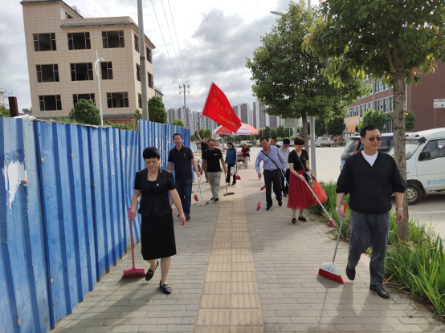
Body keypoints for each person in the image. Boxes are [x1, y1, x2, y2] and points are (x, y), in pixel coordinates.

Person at [336, 125, 406, 299]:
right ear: (362, 140)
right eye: (372, 138)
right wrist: (338, 205)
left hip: (381, 213)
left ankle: (376, 283)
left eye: (378, 138)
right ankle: (351, 264)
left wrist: (399, 208)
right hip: (359, 212)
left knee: (380, 249)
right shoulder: (353, 162)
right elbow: (342, 185)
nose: (376, 141)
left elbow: (399, 186)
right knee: (359, 244)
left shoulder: (387, 161)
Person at [130, 147, 186, 295]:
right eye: (148, 162)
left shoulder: (166, 175)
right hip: (147, 216)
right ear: (144, 161)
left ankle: (164, 281)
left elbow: (174, 194)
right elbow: (137, 193)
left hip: (164, 215)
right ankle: (153, 264)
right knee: (147, 252)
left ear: (159, 160)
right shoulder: (140, 175)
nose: (151, 165)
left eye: (154, 161)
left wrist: (181, 212)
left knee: (166, 250)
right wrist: (134, 208)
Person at [168, 133, 200, 221]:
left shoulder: (187, 150)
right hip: (178, 178)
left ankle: (187, 213)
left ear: (182, 140)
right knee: (180, 196)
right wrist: (169, 175)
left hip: (188, 177)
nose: (177, 140)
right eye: (175, 139)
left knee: (187, 195)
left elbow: (193, 161)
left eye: (178, 138)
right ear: (173, 141)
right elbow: (170, 164)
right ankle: (181, 211)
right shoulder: (172, 152)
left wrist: (196, 171)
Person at [288, 137, 315, 224]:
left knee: (303, 195)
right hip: (295, 177)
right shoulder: (291, 154)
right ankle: (293, 216)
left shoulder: (305, 152)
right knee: (295, 195)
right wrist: (299, 176)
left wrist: (311, 174)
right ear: (294, 144)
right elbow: (291, 169)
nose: (300, 148)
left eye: (302, 146)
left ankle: (300, 215)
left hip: (304, 176)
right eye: (299, 146)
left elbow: (307, 165)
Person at [255, 137, 287, 211]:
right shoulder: (261, 153)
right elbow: (256, 164)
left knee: (277, 188)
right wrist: (258, 172)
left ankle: (279, 198)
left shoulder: (275, 149)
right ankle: (269, 204)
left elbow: (282, 160)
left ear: (268, 142)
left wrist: (284, 168)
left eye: (265, 143)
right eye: (262, 144)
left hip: (276, 172)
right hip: (267, 173)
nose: (263, 145)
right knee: (268, 190)